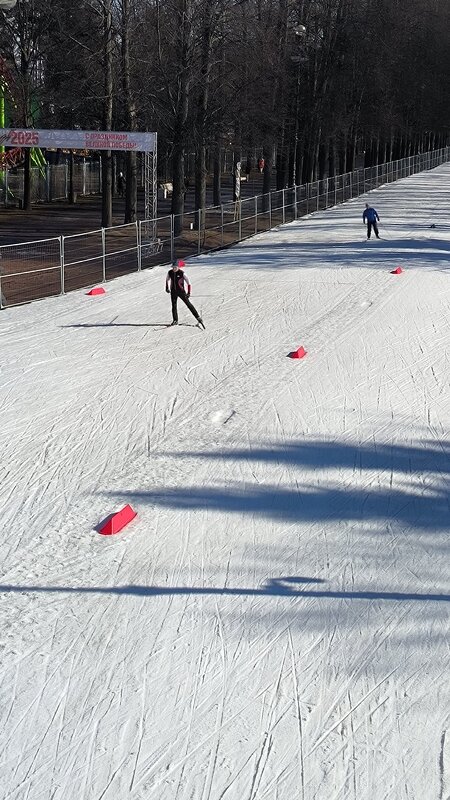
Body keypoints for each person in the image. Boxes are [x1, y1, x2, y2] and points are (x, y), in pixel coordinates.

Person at [165, 260, 205, 328]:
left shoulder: (182, 273)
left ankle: (198, 317)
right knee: (174, 306)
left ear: (178, 267)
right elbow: (167, 280)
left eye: (175, 267)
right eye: (173, 267)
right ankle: (175, 320)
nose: (174, 269)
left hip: (181, 292)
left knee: (188, 304)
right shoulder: (170, 272)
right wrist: (167, 288)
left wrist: (188, 292)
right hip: (173, 292)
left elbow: (188, 283)